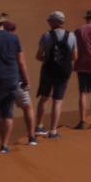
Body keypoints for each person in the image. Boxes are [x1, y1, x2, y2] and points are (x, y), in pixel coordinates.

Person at [0, 9, 35, 154]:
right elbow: (21, 62)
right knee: (7, 112)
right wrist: (26, 80)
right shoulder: (14, 38)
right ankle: (4, 145)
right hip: (12, 80)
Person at [33, 11, 77, 139]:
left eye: (50, 20)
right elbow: (75, 56)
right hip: (64, 71)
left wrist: (48, 61)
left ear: (55, 22)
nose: (48, 22)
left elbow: (38, 56)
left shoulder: (46, 36)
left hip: (48, 70)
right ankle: (53, 131)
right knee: (57, 101)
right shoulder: (72, 36)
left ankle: (39, 126)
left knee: (44, 98)